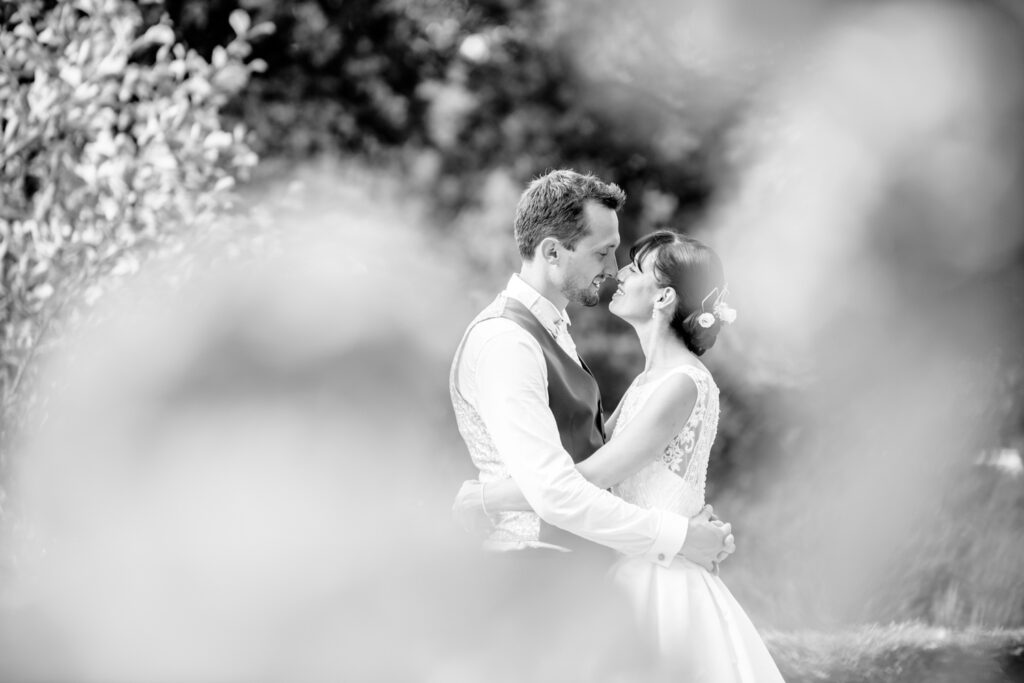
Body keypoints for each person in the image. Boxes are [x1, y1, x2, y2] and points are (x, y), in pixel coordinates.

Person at [465, 230, 786, 681]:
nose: (620, 273)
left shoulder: (682, 384)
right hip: (638, 566)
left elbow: (590, 476)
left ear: (663, 298)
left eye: (636, 269)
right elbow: (593, 457)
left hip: (664, 586)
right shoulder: (647, 383)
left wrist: (487, 497)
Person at [449, 169, 734, 574]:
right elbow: (556, 491)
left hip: (576, 577)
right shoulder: (507, 342)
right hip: (529, 569)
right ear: (552, 253)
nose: (615, 269)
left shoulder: (554, 334)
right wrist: (681, 536)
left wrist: (486, 497)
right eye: (602, 252)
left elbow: (596, 464)